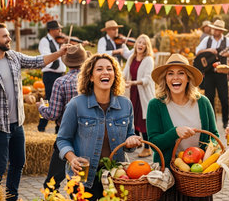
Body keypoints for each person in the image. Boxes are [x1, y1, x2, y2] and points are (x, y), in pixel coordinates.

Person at [0, 23, 69, 201]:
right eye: (5, 36)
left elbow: (37, 61)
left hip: (17, 124)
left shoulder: (14, 57)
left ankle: (12, 197)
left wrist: (59, 53)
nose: (9, 39)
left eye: (9, 35)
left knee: (19, 163)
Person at [56, 54, 142, 201]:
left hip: (115, 176)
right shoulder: (76, 105)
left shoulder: (125, 104)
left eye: (109, 69)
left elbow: (129, 137)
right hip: (83, 177)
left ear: (115, 75)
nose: (105, 72)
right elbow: (62, 139)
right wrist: (72, 158)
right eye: (99, 69)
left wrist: (132, 140)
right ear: (90, 76)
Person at [147, 54, 219, 200]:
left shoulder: (203, 102)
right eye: (170, 74)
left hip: (199, 177)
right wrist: (175, 132)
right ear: (165, 79)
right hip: (169, 179)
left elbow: (214, 136)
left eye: (181, 73)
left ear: (188, 78)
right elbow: (154, 143)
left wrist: (209, 157)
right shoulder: (156, 105)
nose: (175, 78)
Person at [37, 44, 89, 191]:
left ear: (66, 62)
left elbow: (53, 114)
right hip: (89, 135)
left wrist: (40, 107)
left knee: (51, 183)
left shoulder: (61, 82)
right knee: (80, 183)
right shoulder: (92, 80)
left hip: (66, 136)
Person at [196, 20, 229, 129]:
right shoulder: (207, 40)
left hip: (222, 73)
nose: (216, 31)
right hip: (209, 73)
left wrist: (228, 54)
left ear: (222, 31)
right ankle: (212, 121)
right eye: (215, 29)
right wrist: (209, 50)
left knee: (224, 98)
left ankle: (225, 122)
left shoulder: (228, 41)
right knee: (209, 98)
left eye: (218, 29)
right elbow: (197, 52)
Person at [123, 34, 155, 158]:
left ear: (147, 47)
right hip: (133, 93)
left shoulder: (148, 60)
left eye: (144, 43)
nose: (140, 45)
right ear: (135, 44)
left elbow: (147, 79)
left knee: (143, 121)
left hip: (144, 94)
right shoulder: (132, 57)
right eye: (139, 42)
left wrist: (134, 82)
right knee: (134, 119)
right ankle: (138, 142)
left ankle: (148, 148)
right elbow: (125, 73)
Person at [37, 20, 67, 132]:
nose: (60, 31)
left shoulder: (57, 41)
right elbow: (47, 59)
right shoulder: (44, 41)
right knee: (50, 100)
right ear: (52, 30)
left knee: (61, 101)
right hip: (50, 74)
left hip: (60, 74)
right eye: (58, 29)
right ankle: (41, 127)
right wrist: (59, 51)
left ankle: (58, 127)